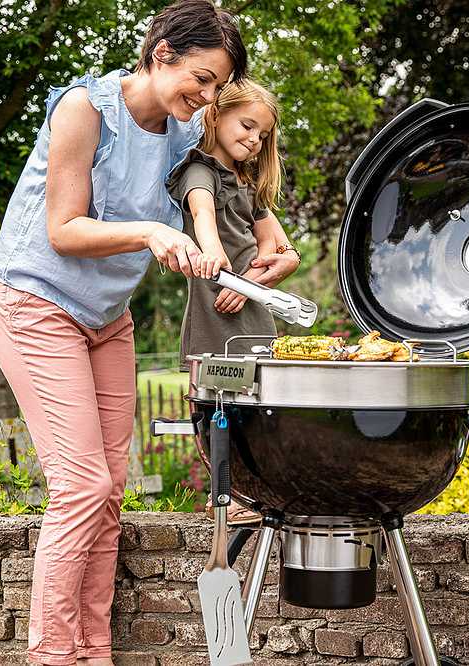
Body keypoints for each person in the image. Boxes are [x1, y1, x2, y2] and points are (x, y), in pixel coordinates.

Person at [0, 2, 283, 664]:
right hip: (35, 301)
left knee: (110, 489)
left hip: (104, 317)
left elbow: (211, 199)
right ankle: (54, 657)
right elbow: (65, 229)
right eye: (201, 79)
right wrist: (153, 232)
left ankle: (94, 652)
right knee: (81, 484)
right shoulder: (86, 111)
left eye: (216, 86)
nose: (207, 97)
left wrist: (240, 256)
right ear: (161, 51)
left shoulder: (185, 130)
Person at [167, 79, 300, 524]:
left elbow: (276, 249)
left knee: (257, 404)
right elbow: (202, 212)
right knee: (214, 403)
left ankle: (255, 488)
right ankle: (225, 494)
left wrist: (255, 275)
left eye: (262, 135)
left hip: (252, 308)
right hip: (214, 313)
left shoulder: (248, 182)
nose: (254, 139)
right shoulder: (198, 170)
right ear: (215, 115)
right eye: (246, 125)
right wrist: (212, 252)